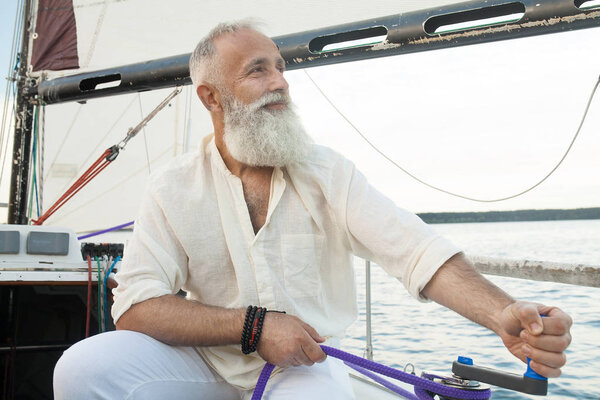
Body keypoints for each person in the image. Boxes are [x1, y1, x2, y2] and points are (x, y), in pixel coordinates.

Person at [53, 21, 572, 400]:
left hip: (304, 369)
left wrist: (501, 315)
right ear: (211, 96)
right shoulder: (172, 186)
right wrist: (253, 327)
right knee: (82, 368)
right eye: (259, 71)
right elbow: (135, 309)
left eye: (280, 67)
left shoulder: (328, 173)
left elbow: (418, 253)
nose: (281, 81)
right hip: (207, 365)